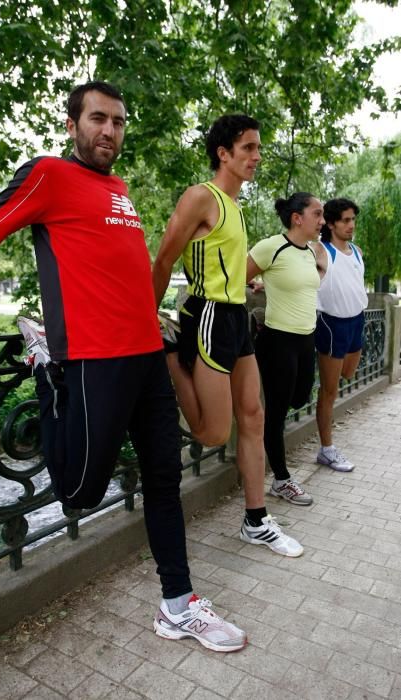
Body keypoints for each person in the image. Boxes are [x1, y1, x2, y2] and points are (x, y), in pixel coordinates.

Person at [0, 81, 248, 653]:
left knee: (165, 479)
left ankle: (179, 603)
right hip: (95, 358)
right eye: (98, 119)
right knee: (78, 490)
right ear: (73, 124)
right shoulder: (48, 174)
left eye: (118, 122)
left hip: (147, 352)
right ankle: (46, 368)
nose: (110, 131)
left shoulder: (119, 190)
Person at [153, 114, 303, 557]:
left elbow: (220, 262)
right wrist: (146, 315)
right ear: (224, 153)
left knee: (253, 416)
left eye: (258, 148)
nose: (257, 156)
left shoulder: (234, 207)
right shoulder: (202, 196)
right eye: (249, 148)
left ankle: (256, 521)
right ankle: (165, 352)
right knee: (214, 433)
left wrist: (243, 284)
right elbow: (164, 260)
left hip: (236, 316)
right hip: (208, 317)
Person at [246, 193, 324, 506]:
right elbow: (237, 278)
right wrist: (254, 286)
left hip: (307, 339)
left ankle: (278, 470)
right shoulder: (270, 246)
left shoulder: (309, 252)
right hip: (278, 341)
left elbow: (304, 281)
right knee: (275, 414)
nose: (322, 220)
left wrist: (269, 283)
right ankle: (281, 479)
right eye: (317, 214)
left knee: (303, 396)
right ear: (297, 218)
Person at [313, 198, 367, 471]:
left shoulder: (356, 251)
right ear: (331, 223)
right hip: (331, 324)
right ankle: (327, 449)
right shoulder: (321, 250)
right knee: (329, 390)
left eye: (353, 220)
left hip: (357, 321)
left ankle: (327, 444)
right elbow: (295, 272)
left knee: (348, 374)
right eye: (346, 220)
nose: (351, 225)